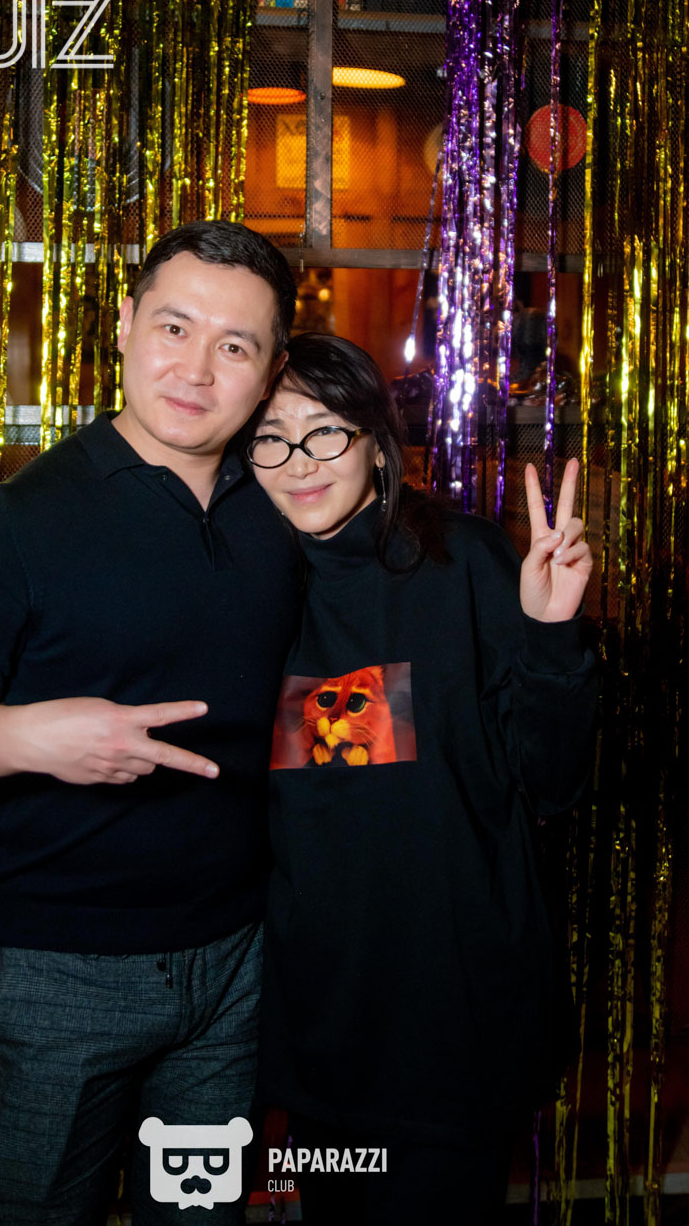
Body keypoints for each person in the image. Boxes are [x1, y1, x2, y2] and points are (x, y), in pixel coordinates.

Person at [0, 220, 302, 1226]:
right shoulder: (25, 519)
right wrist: (30, 737)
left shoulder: (279, 506)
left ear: (272, 370)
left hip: (238, 961)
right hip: (63, 974)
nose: (196, 368)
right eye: (174, 327)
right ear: (124, 325)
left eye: (234, 345)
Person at [245, 332, 597, 1225]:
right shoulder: (247, 592)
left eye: (323, 431)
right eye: (270, 437)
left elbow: (552, 783)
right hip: (322, 1027)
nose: (298, 461)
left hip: (456, 1019)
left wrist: (552, 635)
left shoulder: (463, 562)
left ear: (375, 441)